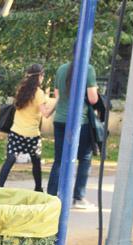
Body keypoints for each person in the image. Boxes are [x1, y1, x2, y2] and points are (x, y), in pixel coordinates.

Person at [47, 56, 99, 208]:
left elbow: (57, 94)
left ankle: (51, 196)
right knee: (85, 158)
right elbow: (93, 99)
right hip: (79, 121)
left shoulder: (61, 69)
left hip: (60, 120)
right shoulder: (88, 69)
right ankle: (78, 197)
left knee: (59, 160)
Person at [0, 63, 56, 191]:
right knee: (36, 162)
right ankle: (38, 188)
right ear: (39, 76)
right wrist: (57, 102)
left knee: (10, 159)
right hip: (32, 135)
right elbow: (46, 114)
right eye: (43, 75)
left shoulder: (21, 89)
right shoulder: (39, 93)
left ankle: (0, 187)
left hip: (16, 132)